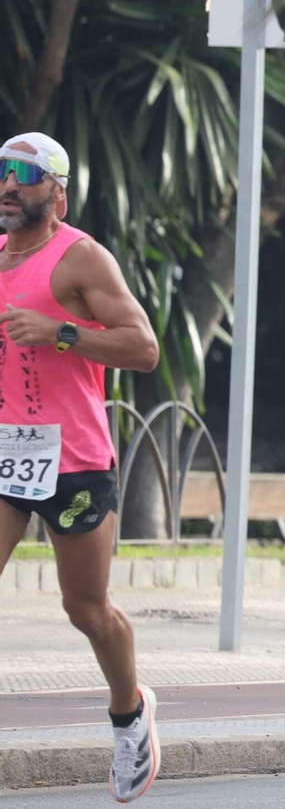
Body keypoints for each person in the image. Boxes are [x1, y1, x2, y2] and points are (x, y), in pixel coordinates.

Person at [0, 132, 163, 802]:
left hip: (74, 461)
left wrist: (61, 331)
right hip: (9, 453)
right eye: (2, 172)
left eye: (24, 174)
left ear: (56, 191)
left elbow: (144, 347)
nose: (9, 184)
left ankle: (130, 717)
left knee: (86, 607)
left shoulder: (81, 258)